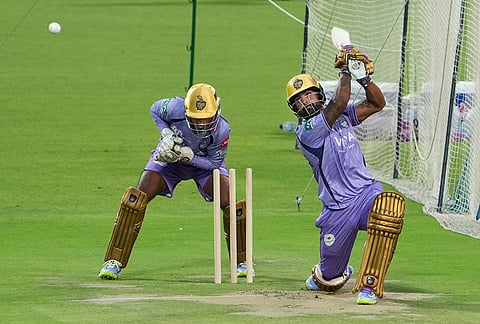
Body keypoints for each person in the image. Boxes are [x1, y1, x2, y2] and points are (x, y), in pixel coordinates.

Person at [285, 46, 405, 305]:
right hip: (337, 208)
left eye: (308, 95)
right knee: (330, 280)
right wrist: (345, 70)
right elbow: (339, 102)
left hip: (365, 194)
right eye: (299, 100)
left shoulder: (342, 118)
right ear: (294, 108)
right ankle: (326, 272)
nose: (305, 101)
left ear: (318, 94)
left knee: (388, 211)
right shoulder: (307, 131)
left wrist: (363, 78)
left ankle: (369, 286)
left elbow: (377, 103)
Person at [98, 83, 253, 280]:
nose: (202, 125)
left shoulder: (222, 129)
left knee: (231, 203)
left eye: (206, 119)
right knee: (134, 200)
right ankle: (114, 261)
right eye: (197, 120)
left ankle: (243, 261)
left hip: (204, 165)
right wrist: (166, 133)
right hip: (169, 160)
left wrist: (189, 158)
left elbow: (214, 163)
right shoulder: (175, 107)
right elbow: (155, 109)